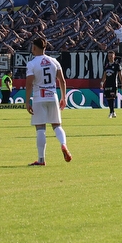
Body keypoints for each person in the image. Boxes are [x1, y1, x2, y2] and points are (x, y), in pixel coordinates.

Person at [24, 36, 71, 166]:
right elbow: (62, 80)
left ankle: (41, 160)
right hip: (53, 96)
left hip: (39, 97)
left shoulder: (32, 64)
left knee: (40, 128)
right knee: (56, 125)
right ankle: (63, 144)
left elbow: (29, 84)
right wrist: (64, 97)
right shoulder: (54, 61)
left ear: (34, 47)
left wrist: (27, 101)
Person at [101, 50, 122, 118]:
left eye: (111, 56)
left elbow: (120, 75)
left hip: (114, 84)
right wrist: (102, 82)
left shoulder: (117, 65)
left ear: (114, 56)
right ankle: (113, 112)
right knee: (108, 98)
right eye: (109, 56)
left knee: (112, 98)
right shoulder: (106, 65)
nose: (110, 57)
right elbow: (105, 75)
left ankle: (111, 112)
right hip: (107, 84)